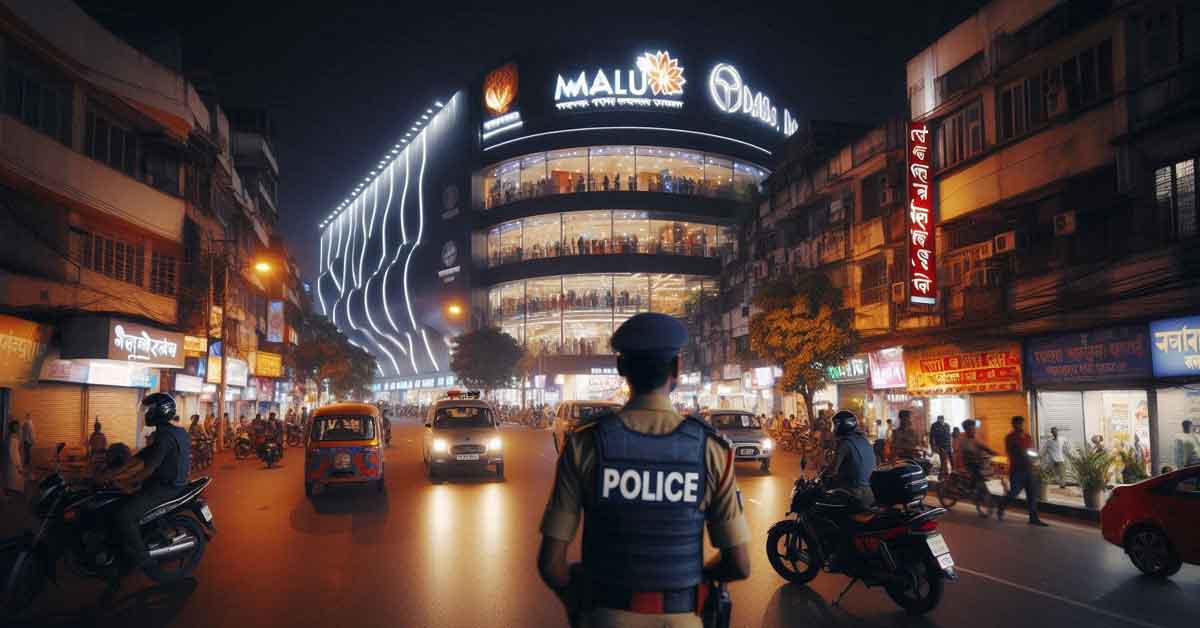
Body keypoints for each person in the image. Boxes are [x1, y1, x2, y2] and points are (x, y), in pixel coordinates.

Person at [537, 313, 750, 628]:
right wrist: (690, 580)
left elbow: (551, 565)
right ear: (677, 369)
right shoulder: (710, 449)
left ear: (621, 368)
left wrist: (581, 603)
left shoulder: (585, 444)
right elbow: (739, 565)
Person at [96, 393, 190, 572]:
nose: (146, 413)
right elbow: (140, 458)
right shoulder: (168, 432)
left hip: (165, 488)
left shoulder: (165, 437)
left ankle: (144, 560)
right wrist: (112, 473)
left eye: (150, 409)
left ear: (160, 411)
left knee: (125, 516)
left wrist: (126, 482)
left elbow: (149, 469)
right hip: (164, 483)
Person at [999, 416, 1048, 526]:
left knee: (1032, 494)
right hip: (1017, 470)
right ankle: (1001, 506)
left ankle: (1033, 518)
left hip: (1029, 469)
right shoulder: (1010, 437)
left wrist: (1035, 459)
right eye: (1017, 424)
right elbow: (1011, 452)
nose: (1020, 426)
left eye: (1021, 423)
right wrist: (1022, 453)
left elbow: (1032, 450)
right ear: (1013, 425)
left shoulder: (1028, 437)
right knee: (1014, 493)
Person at [826, 410, 876, 506]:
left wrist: (822, 475)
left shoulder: (844, 443)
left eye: (834, 425)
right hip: (869, 493)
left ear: (840, 426)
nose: (833, 429)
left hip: (854, 493)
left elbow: (832, 470)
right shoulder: (863, 439)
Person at [960, 419, 996, 517]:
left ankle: (976, 493)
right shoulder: (964, 441)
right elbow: (966, 453)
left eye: (973, 428)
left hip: (977, 463)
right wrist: (975, 457)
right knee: (978, 477)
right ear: (966, 429)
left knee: (983, 476)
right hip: (970, 464)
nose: (973, 430)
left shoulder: (976, 438)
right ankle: (973, 492)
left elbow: (983, 446)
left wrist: (992, 452)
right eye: (971, 428)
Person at [5, 420, 25, 498]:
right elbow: (11, 452)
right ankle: (12, 493)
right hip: (14, 461)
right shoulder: (12, 437)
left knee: (16, 478)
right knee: (15, 478)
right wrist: (16, 464)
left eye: (18, 426)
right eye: (16, 426)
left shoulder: (14, 436)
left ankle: (14, 492)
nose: (18, 428)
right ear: (13, 427)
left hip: (16, 459)